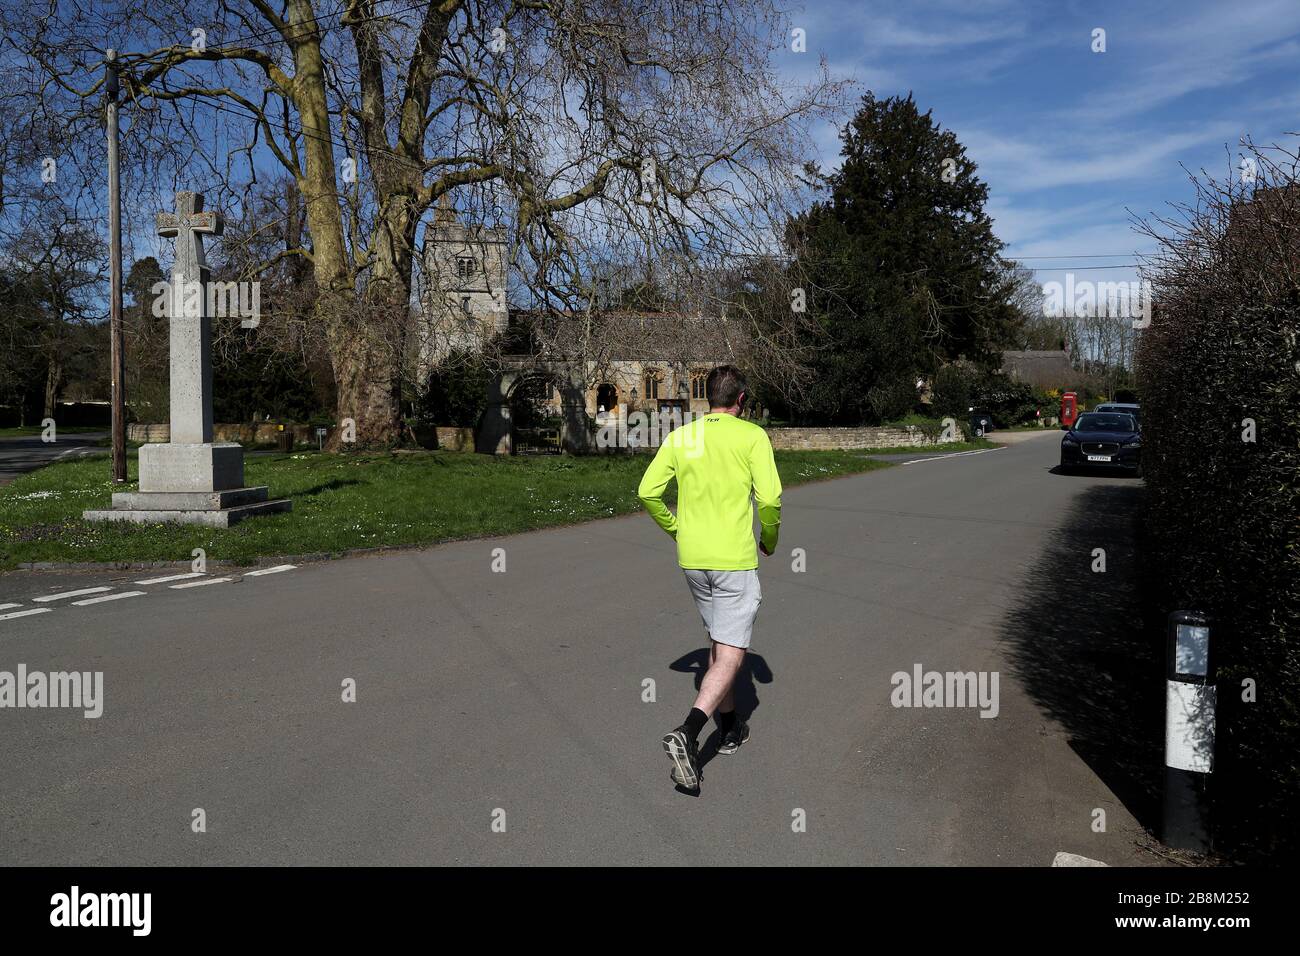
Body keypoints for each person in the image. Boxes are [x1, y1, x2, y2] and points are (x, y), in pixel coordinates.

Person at [636, 364, 781, 791]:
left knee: (719, 643)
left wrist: (677, 527)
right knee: (733, 653)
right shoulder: (752, 436)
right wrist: (769, 538)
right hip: (733, 560)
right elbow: (770, 498)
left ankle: (732, 726)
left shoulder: (681, 437)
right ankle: (688, 732)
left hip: (693, 558)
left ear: (708, 398)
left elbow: (647, 492)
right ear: (741, 400)